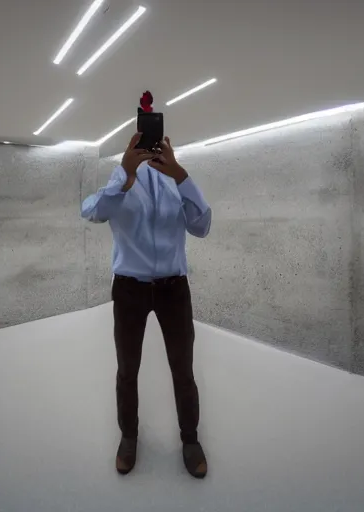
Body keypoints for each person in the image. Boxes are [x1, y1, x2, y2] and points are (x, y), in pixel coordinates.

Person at [81, 133, 211, 479]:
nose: (153, 147)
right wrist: (124, 176)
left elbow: (202, 226)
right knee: (127, 369)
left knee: (183, 370)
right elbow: (92, 211)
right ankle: (129, 436)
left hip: (174, 290)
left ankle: (190, 439)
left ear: (168, 145)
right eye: (144, 139)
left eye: (159, 140)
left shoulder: (176, 179)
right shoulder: (121, 177)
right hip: (129, 291)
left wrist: (180, 175)